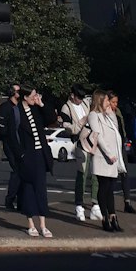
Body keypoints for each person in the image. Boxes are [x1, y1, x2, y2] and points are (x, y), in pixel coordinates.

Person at [4, 84, 54, 238]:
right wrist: (21, 155)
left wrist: (42, 104)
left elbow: (51, 119)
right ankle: (31, 224)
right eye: (33, 96)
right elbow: (12, 137)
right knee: (28, 190)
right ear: (25, 97)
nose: (35, 98)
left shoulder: (36, 109)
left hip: (40, 155)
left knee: (41, 190)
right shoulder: (16, 112)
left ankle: (43, 225)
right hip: (27, 157)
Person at [83, 90, 126, 232]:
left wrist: (110, 112)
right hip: (103, 156)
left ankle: (113, 216)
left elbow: (115, 128)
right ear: (100, 100)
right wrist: (108, 153)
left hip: (113, 155)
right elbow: (98, 135)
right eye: (107, 100)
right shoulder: (94, 115)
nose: (109, 103)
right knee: (104, 187)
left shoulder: (106, 115)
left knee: (110, 189)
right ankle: (105, 217)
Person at [58, 84, 99, 222]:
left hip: (92, 141)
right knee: (82, 174)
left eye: (82, 97)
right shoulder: (66, 108)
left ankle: (95, 204)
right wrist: (82, 122)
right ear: (72, 95)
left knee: (95, 174)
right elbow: (69, 128)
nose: (80, 100)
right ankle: (79, 205)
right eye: (78, 97)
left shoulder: (86, 103)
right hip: (80, 143)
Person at [107, 92, 136, 214]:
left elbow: (122, 127)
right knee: (111, 177)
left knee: (124, 173)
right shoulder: (104, 114)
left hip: (120, 145)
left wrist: (124, 138)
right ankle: (109, 205)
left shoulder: (118, 112)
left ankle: (127, 202)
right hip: (110, 147)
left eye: (116, 102)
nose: (115, 105)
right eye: (113, 102)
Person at [0, 85, 22, 212]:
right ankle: (10, 198)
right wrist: (7, 136)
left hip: (21, 144)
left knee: (22, 171)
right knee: (17, 170)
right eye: (18, 91)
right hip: (11, 144)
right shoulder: (5, 108)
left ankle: (19, 198)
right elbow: (0, 127)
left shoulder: (20, 107)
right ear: (12, 93)